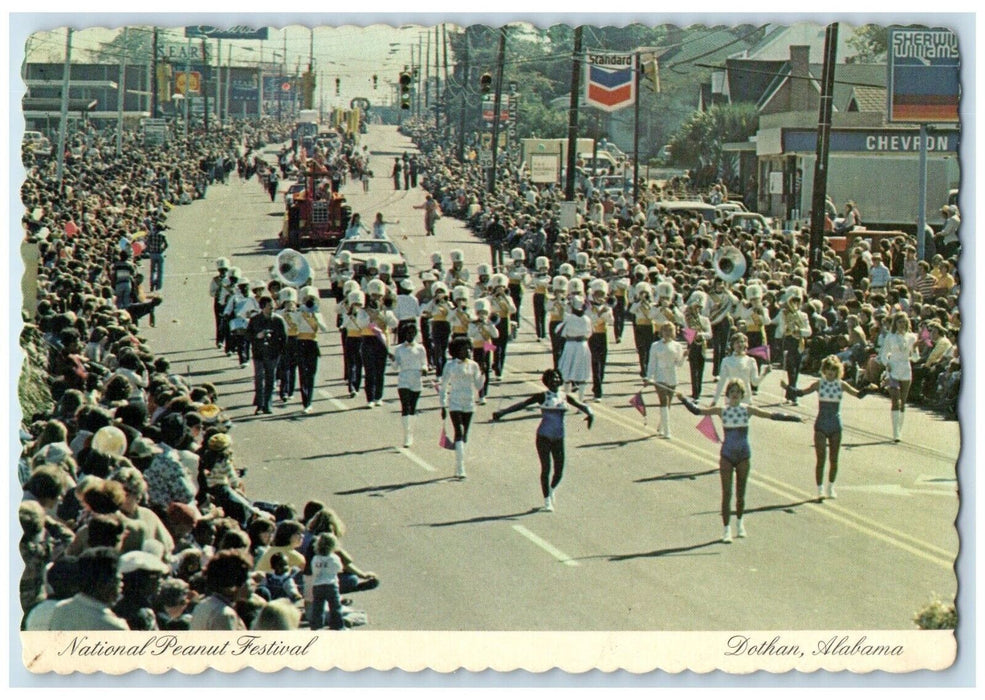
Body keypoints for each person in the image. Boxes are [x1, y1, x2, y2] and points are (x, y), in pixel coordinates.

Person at [678, 380, 802, 543]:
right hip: (727, 455)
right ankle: (726, 529)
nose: (735, 394)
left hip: (744, 455)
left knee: (741, 494)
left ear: (742, 395)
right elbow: (697, 411)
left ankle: (740, 523)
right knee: (727, 493)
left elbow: (772, 415)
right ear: (728, 395)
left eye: (738, 392)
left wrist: (795, 418)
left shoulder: (747, 410)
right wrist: (683, 398)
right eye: (732, 392)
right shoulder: (721, 410)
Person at [492, 368, 594, 512]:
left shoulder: (565, 396)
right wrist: (502, 412)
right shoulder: (542, 396)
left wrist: (590, 413)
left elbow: (582, 405)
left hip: (559, 437)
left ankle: (551, 490)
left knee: (559, 471)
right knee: (546, 469)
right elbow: (523, 404)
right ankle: (547, 500)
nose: (555, 380)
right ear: (546, 382)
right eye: (552, 378)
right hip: (543, 436)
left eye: (558, 377)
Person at [782, 355, 868, 500]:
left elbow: (858, 395)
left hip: (835, 424)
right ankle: (819, 488)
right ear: (824, 370)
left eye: (833, 370)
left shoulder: (841, 385)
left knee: (834, 459)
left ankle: (831, 486)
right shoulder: (819, 384)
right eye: (828, 369)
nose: (830, 372)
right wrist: (787, 388)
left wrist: (869, 388)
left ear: (838, 371)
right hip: (821, 424)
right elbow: (801, 393)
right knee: (820, 459)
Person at [48, 547, 129, 631]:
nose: (121, 584)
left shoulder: (60, 609)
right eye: (118, 579)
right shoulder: (114, 626)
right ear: (104, 583)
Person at [439, 338, 485, 479]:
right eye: (465, 349)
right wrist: (443, 404)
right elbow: (444, 385)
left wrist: (483, 373)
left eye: (469, 349)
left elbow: (478, 386)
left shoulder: (473, 365)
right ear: (456, 350)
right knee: (459, 431)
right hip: (455, 402)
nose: (468, 351)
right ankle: (460, 467)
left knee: (465, 435)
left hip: (469, 402)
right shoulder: (450, 365)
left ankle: (459, 460)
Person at [190, 549, 254, 630]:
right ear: (234, 583)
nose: (252, 582)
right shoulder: (225, 615)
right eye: (248, 578)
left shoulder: (202, 606)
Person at [880, 311, 918, 442]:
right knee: (895, 400)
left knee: (903, 401)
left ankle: (899, 430)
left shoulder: (912, 337)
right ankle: (895, 432)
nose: (902, 324)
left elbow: (915, 357)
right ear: (895, 323)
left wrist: (915, 349)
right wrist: (887, 363)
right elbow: (883, 355)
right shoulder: (890, 337)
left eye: (904, 322)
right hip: (893, 369)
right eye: (899, 322)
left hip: (906, 370)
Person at [245, 296, 288, 415]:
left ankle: (268, 405)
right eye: (269, 307)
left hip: (273, 354)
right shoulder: (255, 320)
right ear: (263, 307)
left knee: (270, 379)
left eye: (272, 307)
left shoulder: (278, 320)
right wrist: (257, 336)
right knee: (259, 379)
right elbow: (247, 336)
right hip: (259, 353)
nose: (271, 309)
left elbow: (284, 337)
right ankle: (259, 404)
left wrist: (281, 352)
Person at [644, 322, 686, 439]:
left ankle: (661, 425)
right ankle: (667, 430)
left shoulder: (677, 346)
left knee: (668, 403)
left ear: (674, 332)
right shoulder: (655, 345)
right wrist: (649, 377)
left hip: (672, 376)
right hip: (660, 376)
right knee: (664, 400)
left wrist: (684, 356)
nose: (667, 333)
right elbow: (651, 363)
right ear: (661, 332)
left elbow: (679, 363)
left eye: (670, 330)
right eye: (665, 330)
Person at [771, 287, 811, 403]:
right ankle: (792, 394)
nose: (795, 304)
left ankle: (791, 393)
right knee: (790, 369)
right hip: (788, 342)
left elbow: (809, 330)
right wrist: (777, 341)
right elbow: (779, 328)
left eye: (797, 301)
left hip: (799, 343)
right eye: (793, 301)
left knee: (796, 369)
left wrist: (801, 332)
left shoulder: (803, 315)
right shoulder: (783, 314)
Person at [393, 323, 429, 447]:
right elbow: (394, 367)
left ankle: (411, 432)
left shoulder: (420, 348)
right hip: (404, 379)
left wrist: (424, 369)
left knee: (413, 408)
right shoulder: (398, 349)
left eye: (412, 333)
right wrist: (393, 360)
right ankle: (406, 435)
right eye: (408, 333)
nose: (410, 335)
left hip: (416, 379)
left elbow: (424, 363)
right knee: (405, 406)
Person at [295, 285, 329, 414]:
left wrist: (316, 318)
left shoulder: (317, 313)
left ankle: (309, 400)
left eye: (311, 299)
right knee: (303, 373)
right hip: (301, 343)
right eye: (307, 299)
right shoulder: (299, 313)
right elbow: (293, 326)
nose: (309, 301)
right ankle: (306, 402)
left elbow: (325, 329)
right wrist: (299, 313)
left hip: (313, 343)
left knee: (311, 374)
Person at [556, 296, 593, 403]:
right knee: (582, 373)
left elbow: (558, 331)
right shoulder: (587, 319)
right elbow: (590, 333)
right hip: (583, 345)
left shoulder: (569, 318)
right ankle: (580, 401)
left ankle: (566, 400)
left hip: (570, 345)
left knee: (567, 373)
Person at [307, 532, 345, 631]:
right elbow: (339, 568)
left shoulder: (315, 558)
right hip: (331, 585)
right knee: (335, 607)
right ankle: (338, 625)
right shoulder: (334, 558)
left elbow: (314, 571)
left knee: (318, 608)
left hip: (318, 585)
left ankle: (316, 626)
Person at [144, 225, 169, 292]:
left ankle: (152, 284)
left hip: (152, 254)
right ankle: (158, 286)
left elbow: (147, 243)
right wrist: (162, 249)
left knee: (153, 270)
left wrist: (149, 249)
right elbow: (166, 245)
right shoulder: (162, 235)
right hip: (159, 253)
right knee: (160, 271)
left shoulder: (151, 235)